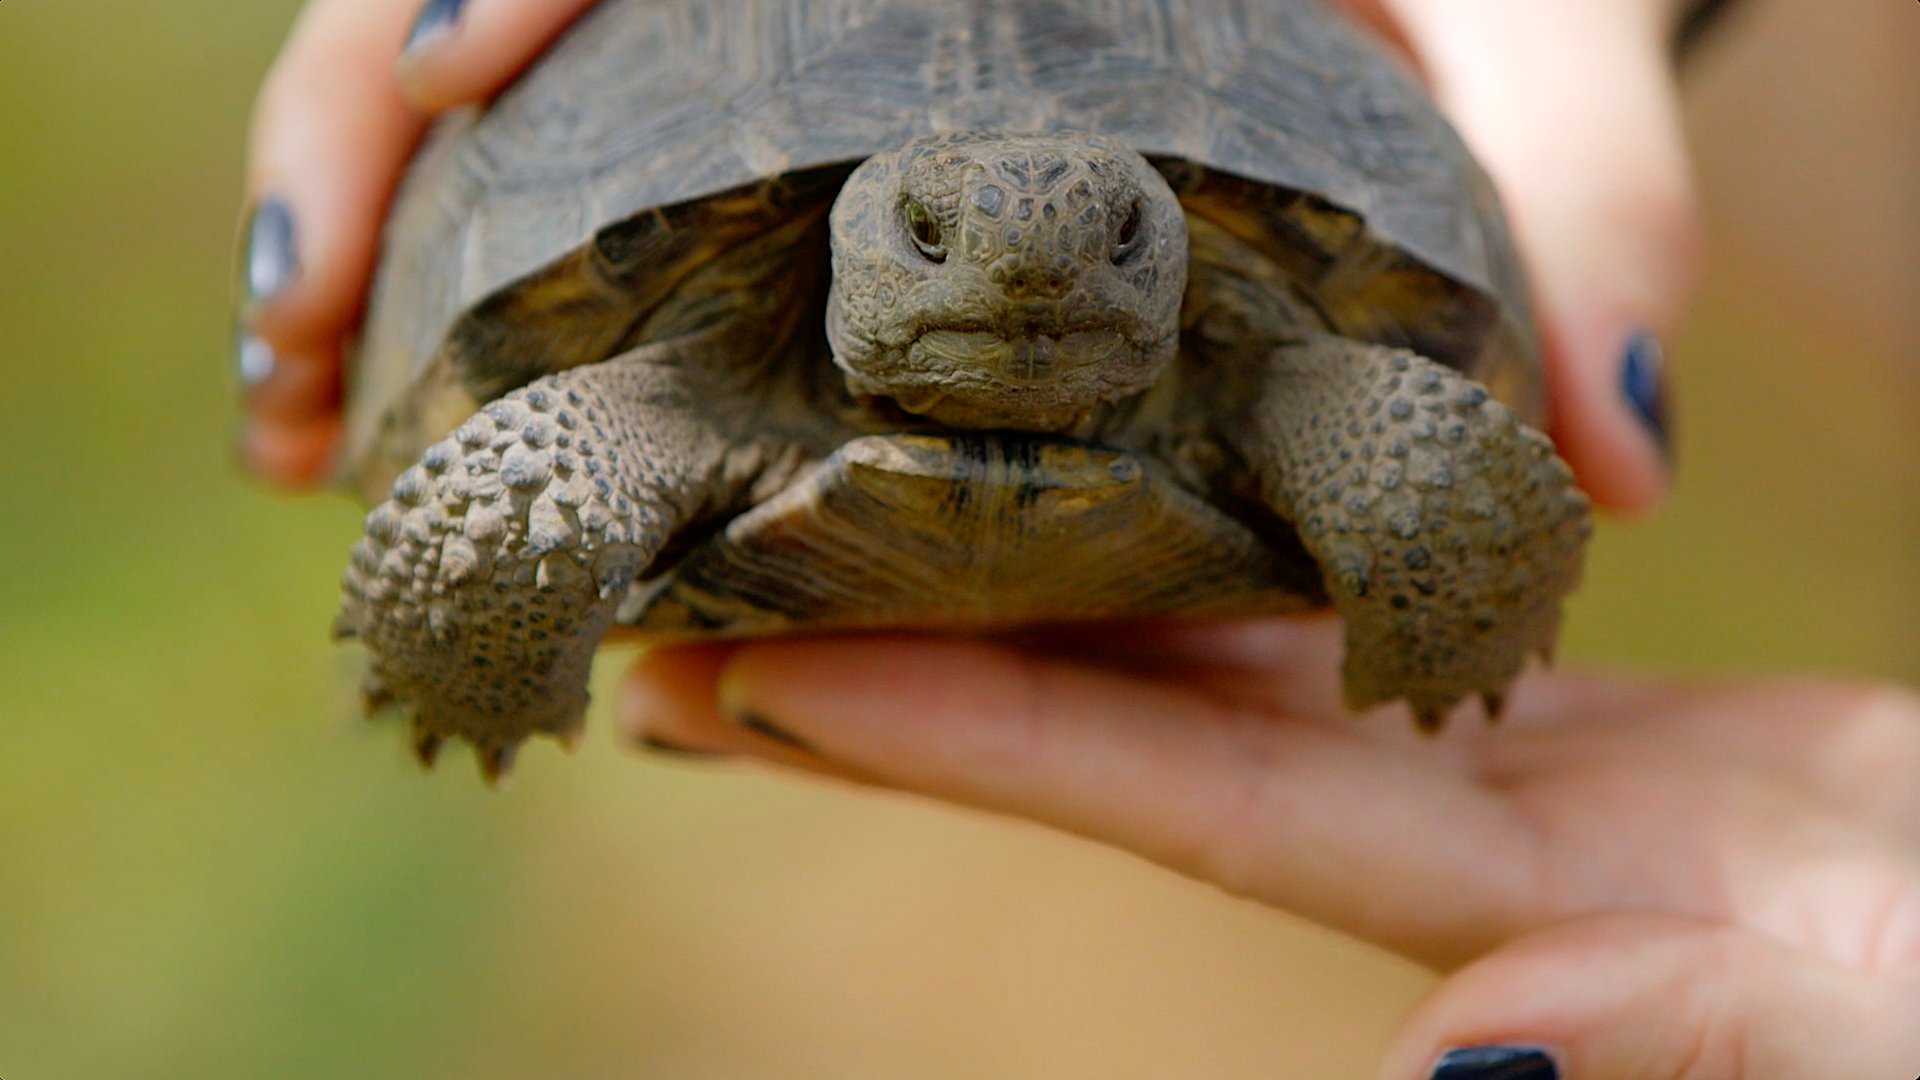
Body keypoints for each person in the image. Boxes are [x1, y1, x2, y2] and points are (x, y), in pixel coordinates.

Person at [235, 1, 1920, 1076]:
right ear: (854, 243)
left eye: (1120, 236)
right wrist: (458, 650)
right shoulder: (641, 407)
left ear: (1173, 250)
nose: (1026, 277)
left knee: (1420, 482)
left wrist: (1456, 604)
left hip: (1228, 384)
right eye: (935, 238)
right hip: (726, 358)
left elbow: (1455, 479)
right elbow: (492, 492)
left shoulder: (1300, 384)